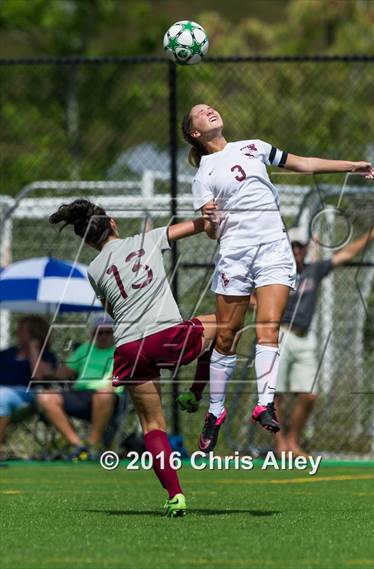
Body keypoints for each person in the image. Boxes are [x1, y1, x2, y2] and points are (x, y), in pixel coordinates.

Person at [180, 102, 374, 453]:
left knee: (268, 327)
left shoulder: (253, 146)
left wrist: (350, 166)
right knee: (226, 338)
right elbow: (212, 233)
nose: (209, 110)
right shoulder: (204, 174)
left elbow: (302, 163)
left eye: (210, 107)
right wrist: (209, 218)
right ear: (195, 133)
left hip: (273, 248)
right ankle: (215, 413)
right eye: (200, 112)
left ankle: (264, 404)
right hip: (235, 254)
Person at [49, 198, 217, 517]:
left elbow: (113, 310)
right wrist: (209, 215)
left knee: (152, 424)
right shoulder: (146, 240)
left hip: (129, 348)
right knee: (225, 324)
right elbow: (199, 226)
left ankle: (176, 495)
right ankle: (198, 395)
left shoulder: (94, 270)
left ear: (85, 240)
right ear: (112, 222)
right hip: (166, 336)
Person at [274, 214, 374, 457]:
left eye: (299, 246)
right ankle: (280, 444)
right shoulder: (274, 270)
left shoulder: (313, 270)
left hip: (304, 337)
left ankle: (293, 441)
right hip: (278, 335)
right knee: (274, 395)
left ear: (305, 248)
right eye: (291, 245)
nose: (295, 250)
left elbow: (346, 254)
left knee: (309, 393)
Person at [37, 315, 118, 460]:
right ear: (93, 334)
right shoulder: (84, 349)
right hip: (79, 394)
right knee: (45, 397)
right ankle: (78, 445)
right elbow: (63, 373)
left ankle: (93, 445)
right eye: (100, 332)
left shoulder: (121, 350)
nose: (104, 335)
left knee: (104, 394)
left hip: (107, 398)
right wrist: (46, 368)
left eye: (108, 332)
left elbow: (117, 381)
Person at [0, 315, 56, 459]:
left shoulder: (46, 356)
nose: (17, 333)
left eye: (22, 330)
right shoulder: (8, 353)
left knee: (2, 397)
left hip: (27, 394)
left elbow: (37, 377)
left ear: (33, 333)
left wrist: (33, 350)